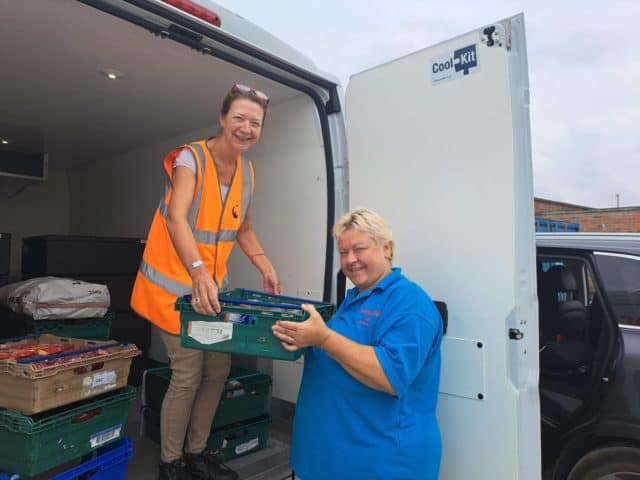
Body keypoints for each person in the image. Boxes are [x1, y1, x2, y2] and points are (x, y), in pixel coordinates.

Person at [131, 83, 282, 480]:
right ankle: (170, 462)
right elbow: (177, 217)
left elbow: (243, 229)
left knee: (218, 371)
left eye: (255, 122)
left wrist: (264, 263)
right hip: (173, 293)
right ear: (222, 119)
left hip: (213, 295)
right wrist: (197, 271)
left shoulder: (248, 171)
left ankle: (197, 453)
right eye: (240, 119)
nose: (247, 128)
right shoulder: (190, 159)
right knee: (188, 373)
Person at [272, 207, 443, 479]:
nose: (350, 260)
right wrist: (303, 340)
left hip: (379, 466)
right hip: (322, 461)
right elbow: (343, 354)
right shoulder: (355, 298)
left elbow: (389, 376)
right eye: (343, 252)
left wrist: (324, 338)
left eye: (359, 249)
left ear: (387, 249)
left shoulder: (409, 303)